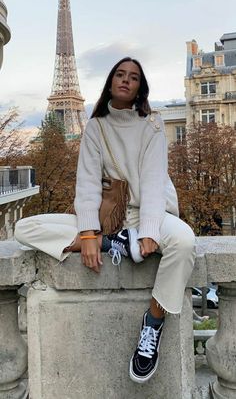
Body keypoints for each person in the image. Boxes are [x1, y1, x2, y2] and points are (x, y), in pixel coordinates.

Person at [15, 57, 196, 384]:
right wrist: (87, 234)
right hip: (110, 220)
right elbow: (86, 184)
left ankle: (153, 323)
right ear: (111, 81)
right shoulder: (96, 127)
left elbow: (154, 182)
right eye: (120, 75)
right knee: (25, 228)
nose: (126, 81)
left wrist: (151, 231)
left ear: (140, 86)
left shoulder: (152, 124)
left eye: (134, 77)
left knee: (184, 242)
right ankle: (112, 243)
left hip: (148, 214)